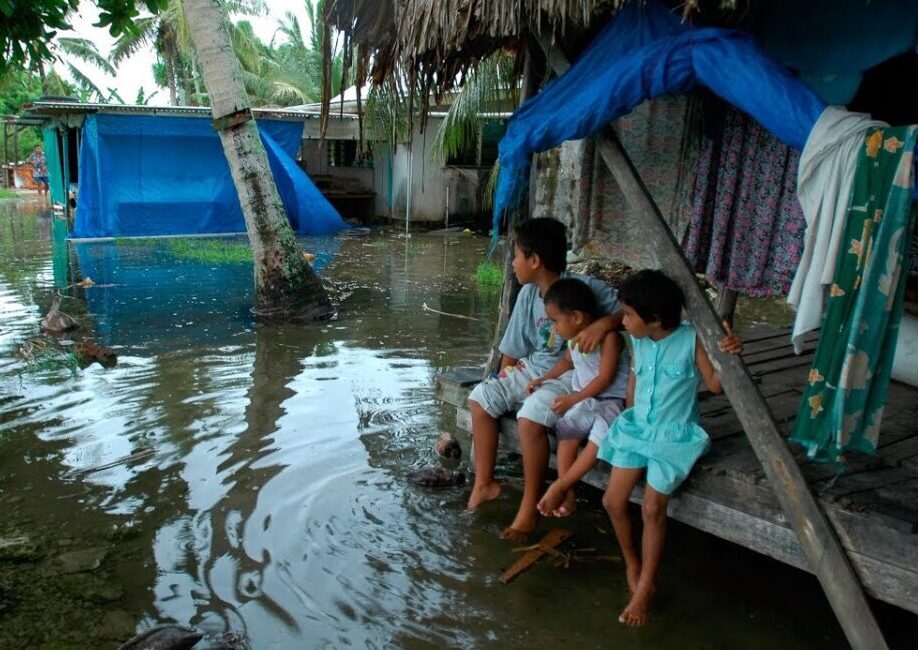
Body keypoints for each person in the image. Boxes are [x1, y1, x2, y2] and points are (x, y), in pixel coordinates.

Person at [577, 269, 741, 627]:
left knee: (653, 507)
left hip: (673, 435)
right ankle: (632, 562)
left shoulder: (691, 340)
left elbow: (714, 384)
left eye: (630, 315)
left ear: (654, 319)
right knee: (611, 500)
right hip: (638, 429)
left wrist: (729, 354)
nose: (624, 320)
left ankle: (647, 585)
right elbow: (635, 378)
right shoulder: (639, 338)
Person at [466, 218, 622, 542]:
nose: (512, 263)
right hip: (535, 369)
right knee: (481, 398)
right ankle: (484, 484)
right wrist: (503, 383)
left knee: (531, 417)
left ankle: (528, 511)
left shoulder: (583, 288)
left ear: (534, 260)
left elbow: (630, 311)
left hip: (570, 375)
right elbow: (512, 349)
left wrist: (603, 324)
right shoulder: (526, 295)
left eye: (516, 256)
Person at [526, 278, 630, 517]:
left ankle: (560, 485)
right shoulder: (573, 340)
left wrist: (573, 399)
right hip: (586, 400)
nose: (553, 328)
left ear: (576, 317)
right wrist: (545, 379)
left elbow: (604, 380)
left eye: (555, 321)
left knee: (598, 439)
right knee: (566, 437)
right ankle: (569, 493)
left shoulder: (610, 339)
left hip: (612, 401)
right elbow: (565, 362)